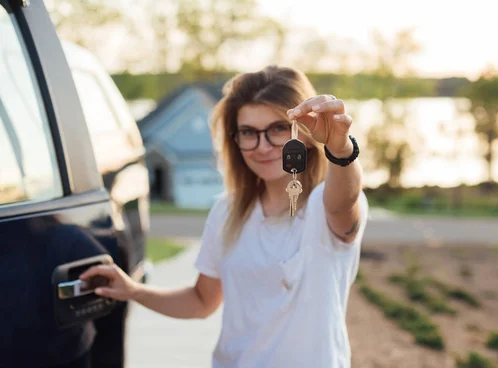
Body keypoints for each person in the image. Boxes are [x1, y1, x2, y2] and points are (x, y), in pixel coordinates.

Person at [80, 65, 369, 367]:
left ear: (307, 134)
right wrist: (133, 290)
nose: (263, 146)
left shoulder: (327, 203)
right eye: (248, 132)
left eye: (279, 128)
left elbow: (344, 201)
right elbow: (202, 301)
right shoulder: (227, 211)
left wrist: (340, 147)